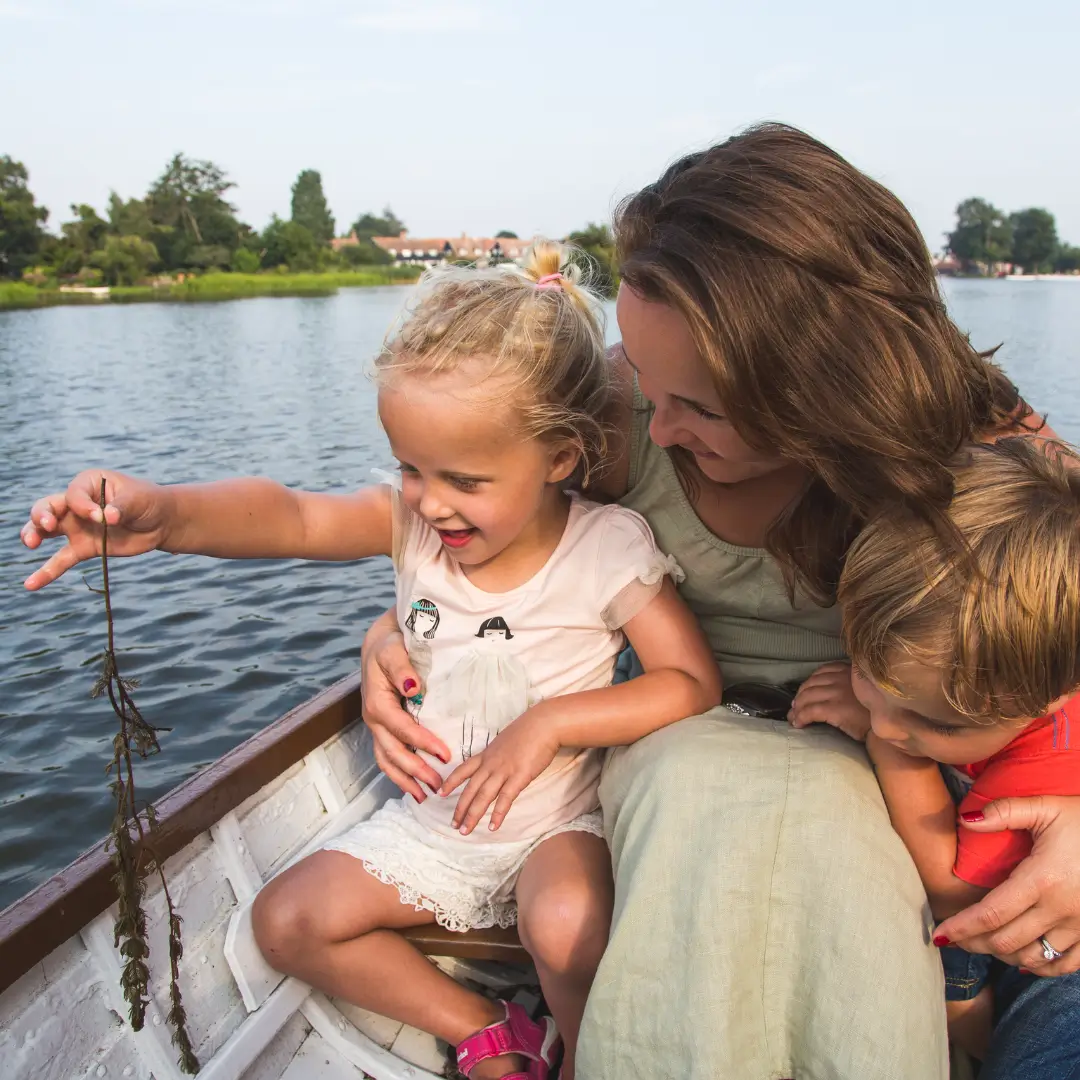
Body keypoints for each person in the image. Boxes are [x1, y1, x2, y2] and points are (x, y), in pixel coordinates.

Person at [355, 125, 1080, 1079]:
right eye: (647, 385)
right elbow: (491, 544)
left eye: (699, 406)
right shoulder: (611, 412)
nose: (654, 426)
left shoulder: (987, 446)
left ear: (829, 380)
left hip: (934, 792)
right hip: (685, 745)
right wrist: (396, 628)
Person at [19, 242, 720, 1080]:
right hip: (435, 826)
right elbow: (293, 517)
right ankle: (489, 1029)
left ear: (560, 459)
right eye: (409, 468)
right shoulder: (414, 526)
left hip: (556, 824)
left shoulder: (606, 548)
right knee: (283, 923)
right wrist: (167, 517)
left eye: (463, 478)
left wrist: (553, 721)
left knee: (568, 926)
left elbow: (690, 682)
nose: (430, 501)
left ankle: (591, 1055)